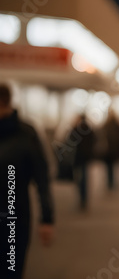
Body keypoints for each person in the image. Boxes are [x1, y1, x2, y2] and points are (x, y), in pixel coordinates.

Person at [0, 84, 55, 279]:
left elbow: (42, 177)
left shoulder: (26, 134)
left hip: (14, 216)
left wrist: (46, 217)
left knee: (11, 269)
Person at [67, 114, 96, 210]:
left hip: (78, 157)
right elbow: (94, 140)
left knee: (79, 178)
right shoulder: (89, 129)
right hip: (86, 157)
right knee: (84, 177)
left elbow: (69, 142)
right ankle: (84, 198)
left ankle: (82, 197)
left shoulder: (75, 129)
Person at [101, 111, 119, 191]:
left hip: (109, 151)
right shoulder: (117, 125)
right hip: (115, 150)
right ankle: (113, 182)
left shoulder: (106, 125)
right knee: (115, 167)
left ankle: (110, 183)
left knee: (109, 168)